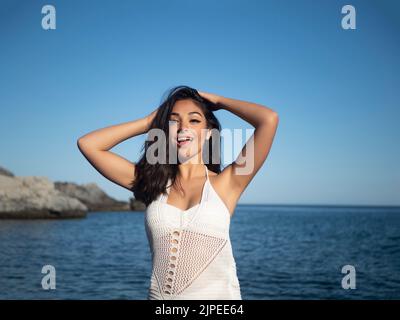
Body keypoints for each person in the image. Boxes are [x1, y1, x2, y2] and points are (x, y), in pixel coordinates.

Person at [77, 85, 279, 299]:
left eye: (194, 120)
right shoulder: (151, 184)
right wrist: (149, 122)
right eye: (174, 121)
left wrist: (218, 101)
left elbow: (268, 119)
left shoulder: (228, 182)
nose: (183, 127)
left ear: (209, 133)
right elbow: (88, 144)